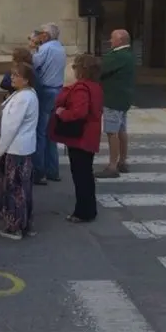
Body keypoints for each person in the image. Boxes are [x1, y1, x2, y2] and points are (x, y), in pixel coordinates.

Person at [51, 55, 103, 223]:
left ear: (82, 69)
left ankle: (83, 212)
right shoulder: (96, 86)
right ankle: (88, 209)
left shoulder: (81, 88)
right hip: (90, 133)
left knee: (81, 175)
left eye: (75, 67)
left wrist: (62, 113)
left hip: (82, 135)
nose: (73, 70)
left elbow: (79, 112)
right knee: (85, 173)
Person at [0, 62, 39, 240]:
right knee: (23, 187)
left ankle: (16, 226)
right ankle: (26, 224)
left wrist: (0, 149)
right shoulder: (26, 95)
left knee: (15, 188)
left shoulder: (22, 98)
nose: (12, 78)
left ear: (26, 80)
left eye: (16, 75)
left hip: (16, 148)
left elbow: (11, 126)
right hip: (22, 147)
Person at [97, 29, 136, 179]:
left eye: (112, 38)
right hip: (123, 99)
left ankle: (112, 166)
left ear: (120, 41)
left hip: (113, 98)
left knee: (112, 132)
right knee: (121, 130)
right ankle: (122, 161)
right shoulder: (129, 55)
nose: (110, 41)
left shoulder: (119, 56)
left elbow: (102, 69)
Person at [32, 23, 66, 185]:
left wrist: (33, 46)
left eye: (40, 34)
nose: (39, 36)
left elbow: (33, 64)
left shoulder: (45, 49)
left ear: (45, 35)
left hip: (45, 90)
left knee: (40, 132)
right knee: (51, 132)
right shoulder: (60, 48)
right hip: (57, 90)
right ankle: (53, 170)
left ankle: (39, 172)